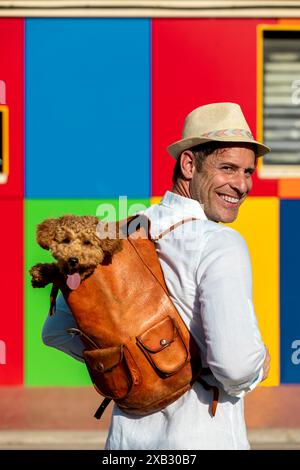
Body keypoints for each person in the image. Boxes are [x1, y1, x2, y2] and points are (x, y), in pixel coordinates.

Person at [42, 102, 271, 450]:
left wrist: (129, 364)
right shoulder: (220, 244)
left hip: (125, 443)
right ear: (189, 164)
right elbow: (235, 366)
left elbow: (55, 332)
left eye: (248, 172)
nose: (241, 185)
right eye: (228, 168)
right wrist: (257, 369)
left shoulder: (117, 234)